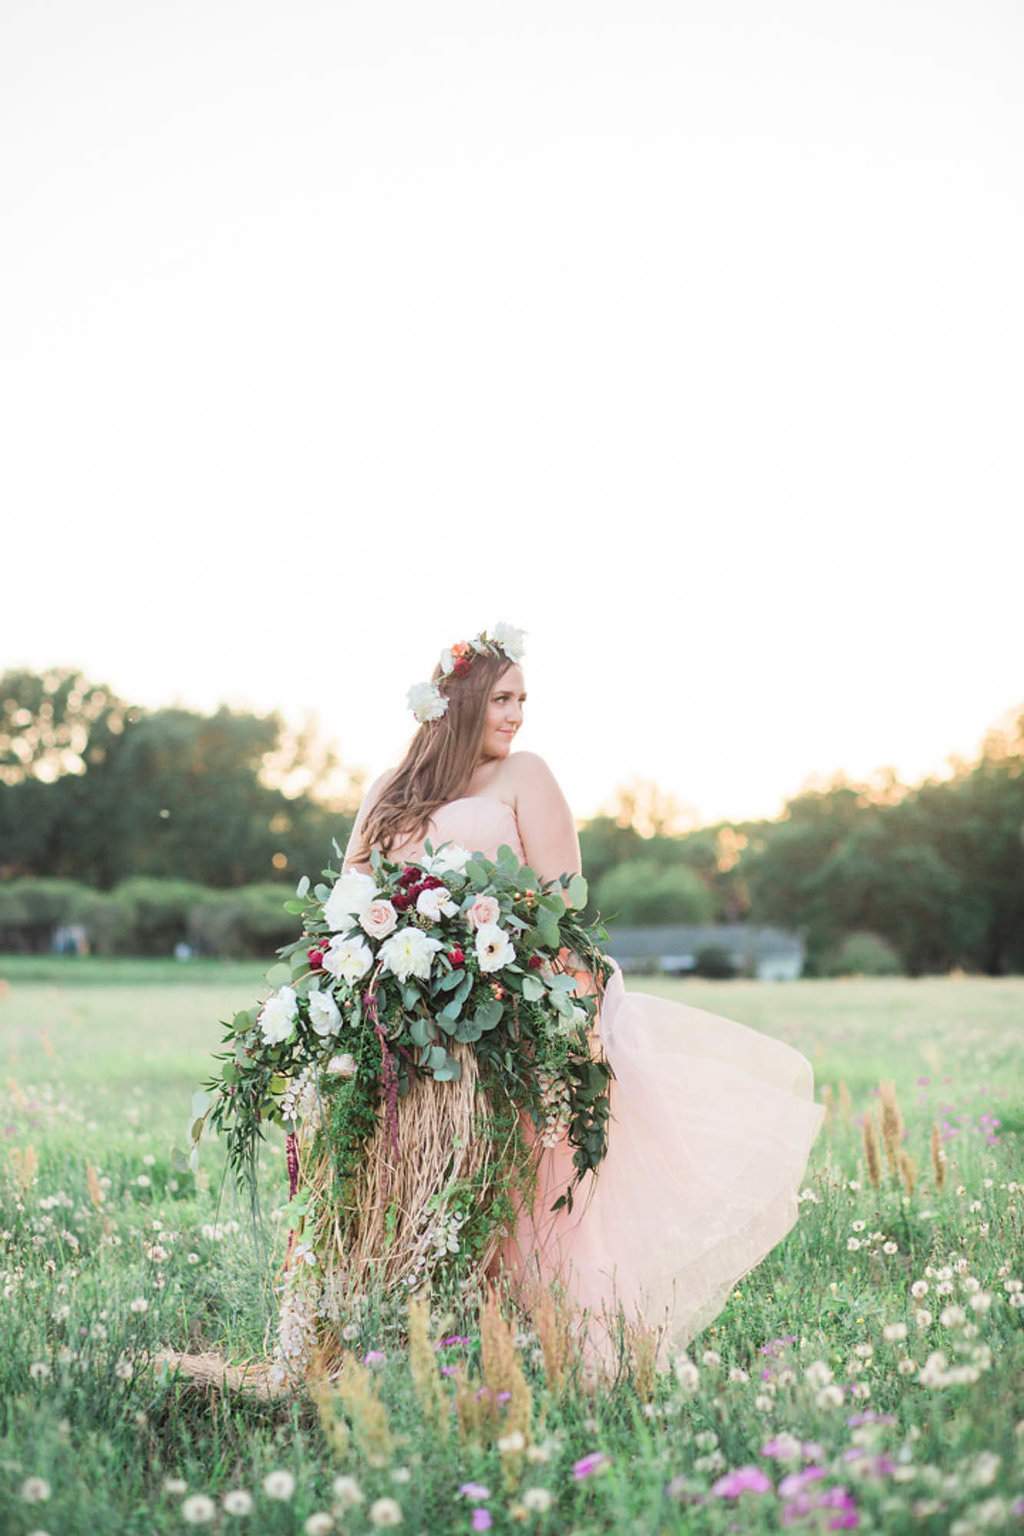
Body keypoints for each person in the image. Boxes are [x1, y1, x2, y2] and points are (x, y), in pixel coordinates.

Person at [333, 622, 825, 1370]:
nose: (517, 713)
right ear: (458, 701)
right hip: (411, 1023)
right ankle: (432, 1345)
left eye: (523, 698)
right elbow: (351, 896)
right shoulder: (390, 791)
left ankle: (556, 1348)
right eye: (501, 698)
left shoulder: (526, 775)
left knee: (526, 1190)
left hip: (510, 1005)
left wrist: (552, 1004)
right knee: (430, 1184)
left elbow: (561, 904)